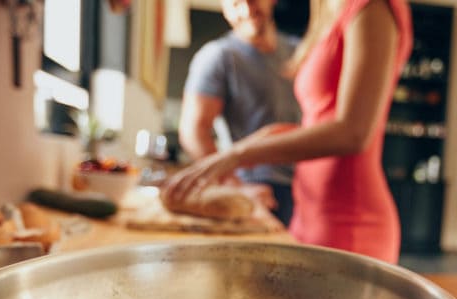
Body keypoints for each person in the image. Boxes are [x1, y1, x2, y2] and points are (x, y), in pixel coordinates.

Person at [163, 0, 413, 264]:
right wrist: (234, 161)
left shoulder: (371, 6)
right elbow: (314, 124)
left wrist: (237, 154)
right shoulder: (327, 9)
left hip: (347, 220)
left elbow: (354, 132)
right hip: (308, 210)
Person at [178, 0, 301, 226]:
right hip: (258, 188)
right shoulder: (218, 57)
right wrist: (236, 187)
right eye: (235, 4)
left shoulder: (301, 52)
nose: (246, 10)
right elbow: (193, 130)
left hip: (309, 188)